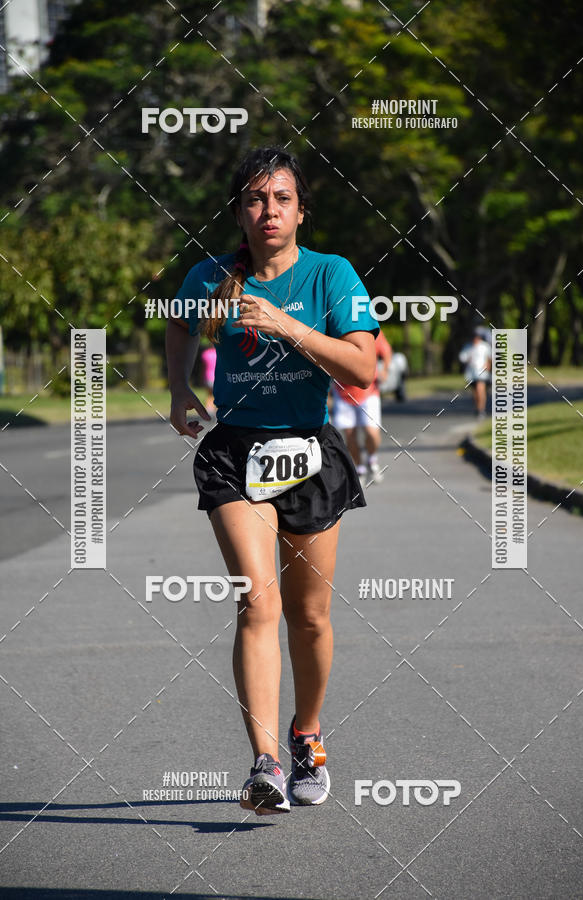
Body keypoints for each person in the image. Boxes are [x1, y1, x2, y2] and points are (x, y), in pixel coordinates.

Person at [166, 146, 378, 815]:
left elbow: (362, 369)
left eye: (282, 198)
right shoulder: (208, 275)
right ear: (238, 211)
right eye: (256, 200)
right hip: (234, 453)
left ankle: (306, 737)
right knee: (257, 605)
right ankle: (264, 764)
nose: (269, 211)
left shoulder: (330, 275)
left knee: (309, 617)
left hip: (310, 452)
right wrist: (178, 389)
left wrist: (287, 324)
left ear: (302, 210)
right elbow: (176, 324)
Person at [331, 329, 392, 486]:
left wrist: (385, 370)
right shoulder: (334, 330)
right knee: (350, 434)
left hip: (368, 391)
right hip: (343, 392)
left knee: (371, 432)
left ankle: (372, 459)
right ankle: (360, 468)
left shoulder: (368, 330)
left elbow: (386, 351)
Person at [459, 327, 492, 418]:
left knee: (480, 389)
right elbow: (462, 358)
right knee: (475, 393)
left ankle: (481, 410)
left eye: (476, 337)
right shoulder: (468, 347)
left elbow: (490, 358)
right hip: (471, 373)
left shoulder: (485, 346)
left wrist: (488, 365)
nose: (475, 339)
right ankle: (478, 408)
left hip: (482, 372)